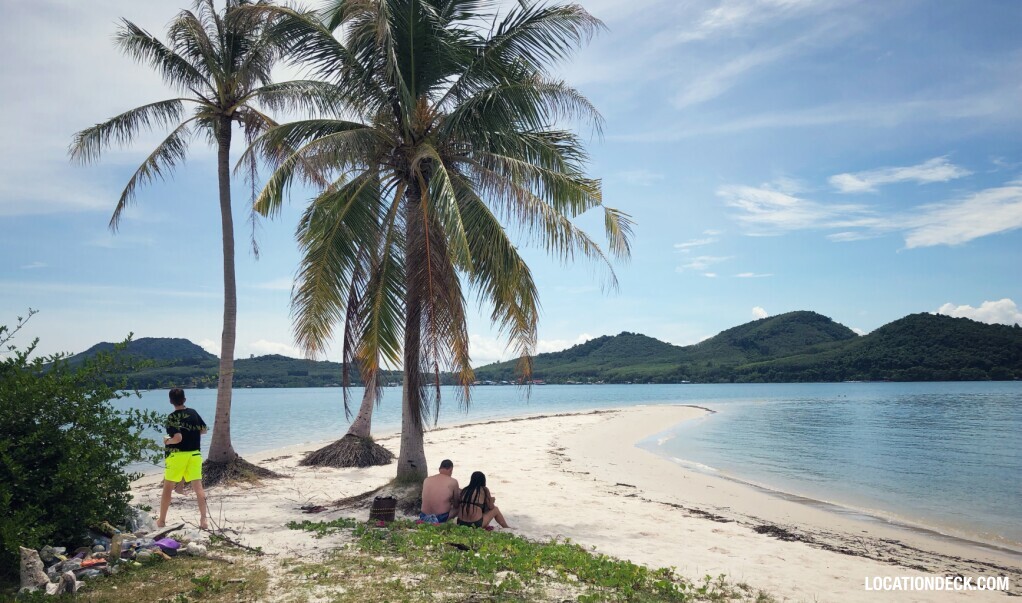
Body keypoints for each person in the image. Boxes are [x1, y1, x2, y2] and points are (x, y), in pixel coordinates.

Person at [157, 388, 209, 529]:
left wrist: (167, 441)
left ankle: (161, 520)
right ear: (184, 400)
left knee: (168, 487)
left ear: (170, 401)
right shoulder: (193, 413)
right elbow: (204, 430)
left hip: (177, 455)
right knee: (198, 487)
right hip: (194, 454)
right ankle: (204, 520)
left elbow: (177, 438)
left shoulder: (172, 417)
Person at [419, 459, 459, 524]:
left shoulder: (427, 480)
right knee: (458, 508)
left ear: (439, 469)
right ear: (450, 470)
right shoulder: (453, 481)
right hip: (440, 517)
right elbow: (456, 504)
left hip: (423, 516)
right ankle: (446, 522)